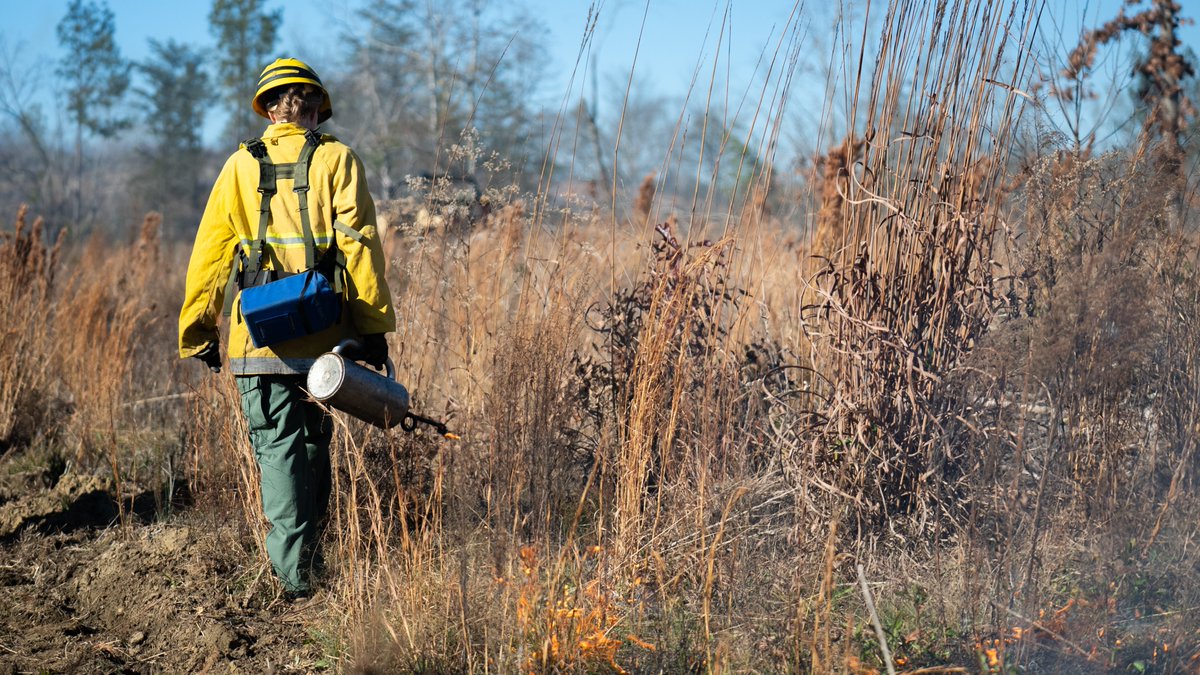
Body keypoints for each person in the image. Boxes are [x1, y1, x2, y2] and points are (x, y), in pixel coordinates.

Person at [179, 57, 395, 598]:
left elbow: (210, 257)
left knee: (279, 450)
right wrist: (372, 327)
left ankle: (295, 580)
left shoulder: (238, 167)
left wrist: (199, 332)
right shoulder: (339, 159)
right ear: (318, 106)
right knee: (316, 445)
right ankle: (308, 568)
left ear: (269, 108)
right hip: (328, 342)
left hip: (257, 340)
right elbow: (360, 248)